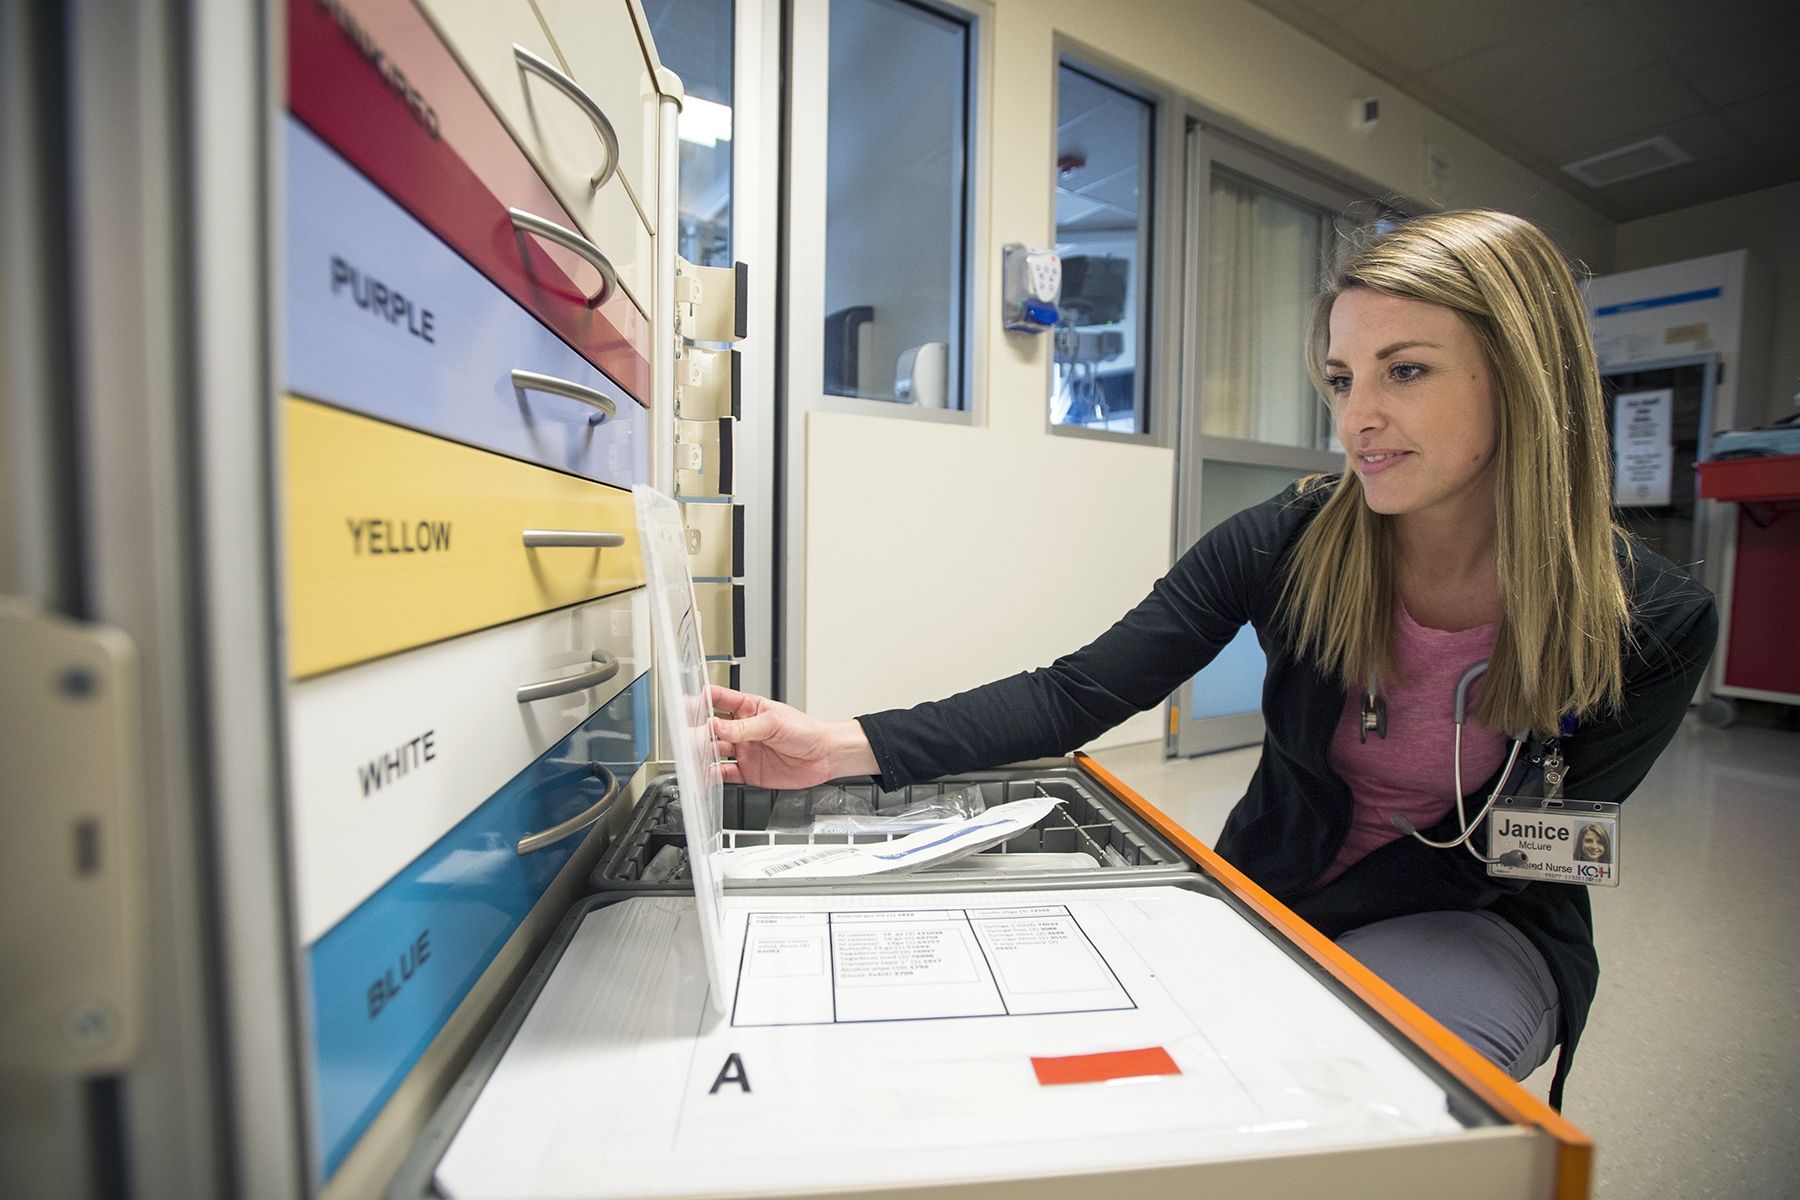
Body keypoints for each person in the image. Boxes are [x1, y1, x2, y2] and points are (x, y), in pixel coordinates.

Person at [708, 209, 1716, 1108]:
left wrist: (1274, 950)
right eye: (1342, 379)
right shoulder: (1291, 539)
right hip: (1275, 887)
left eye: (1405, 371)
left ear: (1524, 376)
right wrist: (837, 745)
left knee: (1358, 1092)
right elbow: (1078, 692)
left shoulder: (1653, 622)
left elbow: (1525, 856)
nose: (1356, 419)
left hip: (1472, 918)